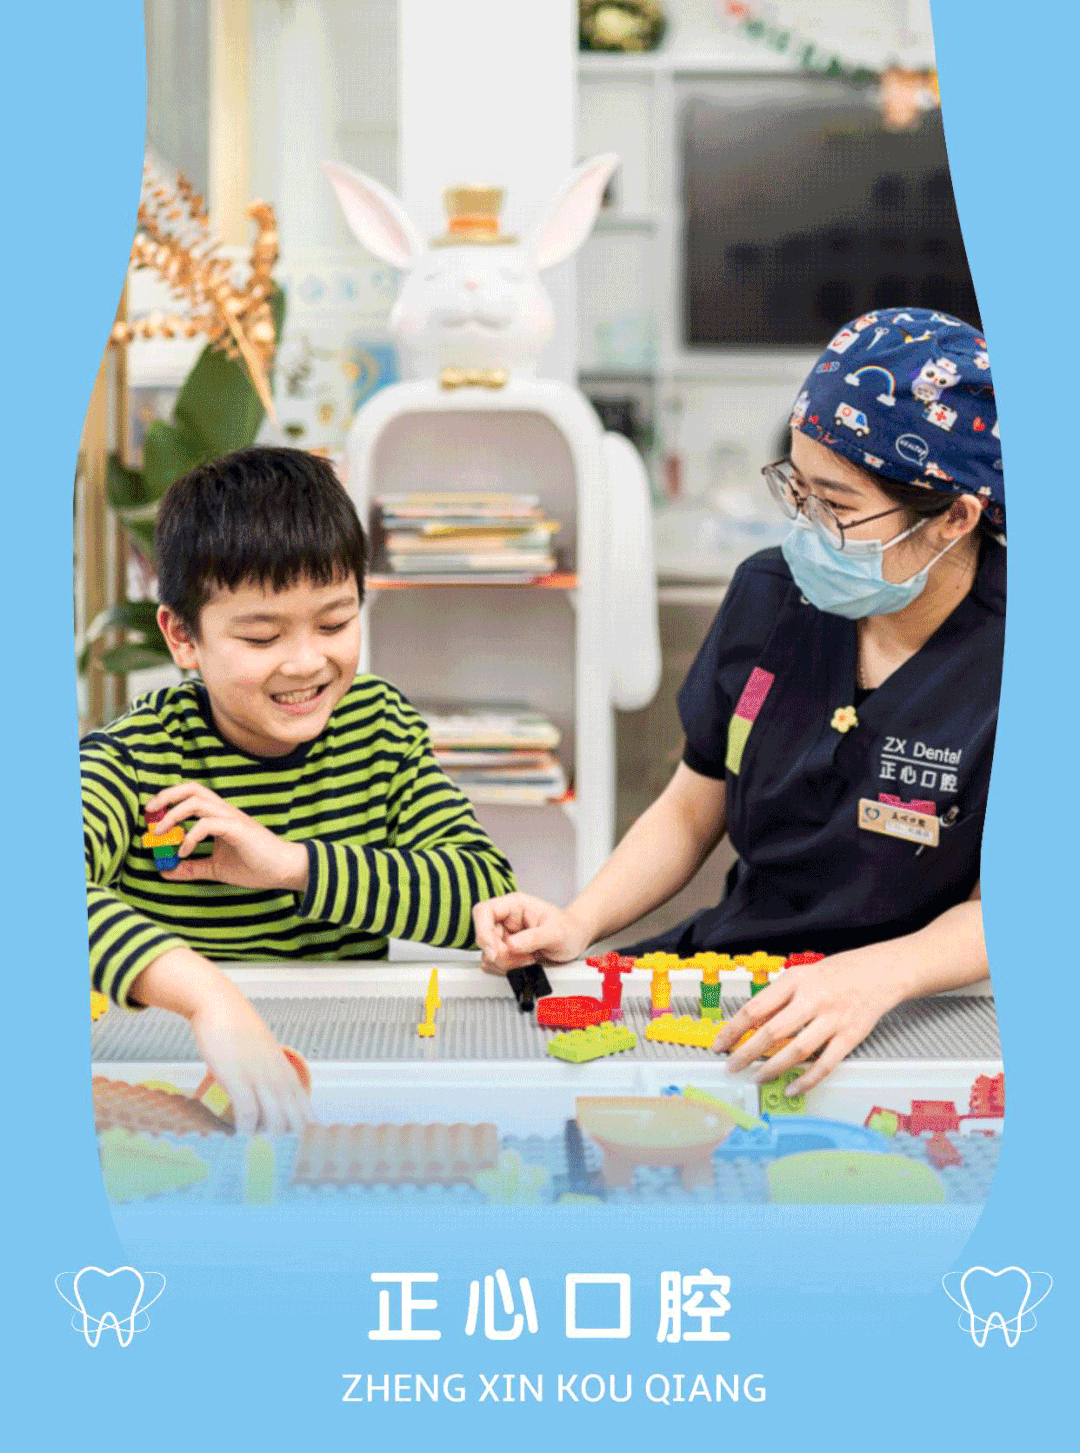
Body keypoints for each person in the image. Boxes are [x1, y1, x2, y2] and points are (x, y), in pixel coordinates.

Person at [473, 309, 1004, 1096]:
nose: (808, 531)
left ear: (954, 517)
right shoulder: (772, 594)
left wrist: (876, 976)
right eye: (798, 491)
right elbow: (694, 807)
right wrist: (580, 921)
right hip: (734, 972)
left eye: (837, 507)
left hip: (913, 1002)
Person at [85, 447, 515, 1133]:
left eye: (335, 623)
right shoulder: (138, 759)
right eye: (262, 637)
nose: (308, 662)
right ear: (183, 636)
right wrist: (207, 998)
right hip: (179, 1088)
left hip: (340, 1078)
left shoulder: (378, 728)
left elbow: (484, 893)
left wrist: (292, 865)